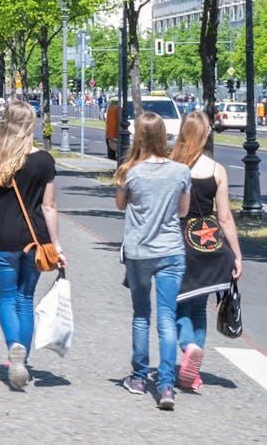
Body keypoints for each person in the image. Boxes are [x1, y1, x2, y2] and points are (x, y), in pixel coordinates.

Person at [0, 100, 66, 390]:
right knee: (26, 298)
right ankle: (20, 358)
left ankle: (14, 350)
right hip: (35, 240)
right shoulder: (44, 161)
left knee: (6, 299)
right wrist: (57, 245)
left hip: (4, 239)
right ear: (30, 125)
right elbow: (49, 207)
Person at [115, 111, 191, 410]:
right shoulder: (181, 171)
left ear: (138, 136)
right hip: (171, 250)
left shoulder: (129, 171)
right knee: (167, 317)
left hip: (139, 251)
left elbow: (121, 205)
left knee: (141, 314)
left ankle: (138, 376)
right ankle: (167, 385)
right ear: (163, 136)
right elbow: (183, 212)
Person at [172, 110, 242, 392]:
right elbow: (224, 217)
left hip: (178, 242)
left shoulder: (171, 165)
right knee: (199, 307)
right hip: (210, 245)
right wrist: (236, 254)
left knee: (177, 305)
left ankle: (188, 348)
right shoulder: (216, 170)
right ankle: (195, 371)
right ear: (205, 135)